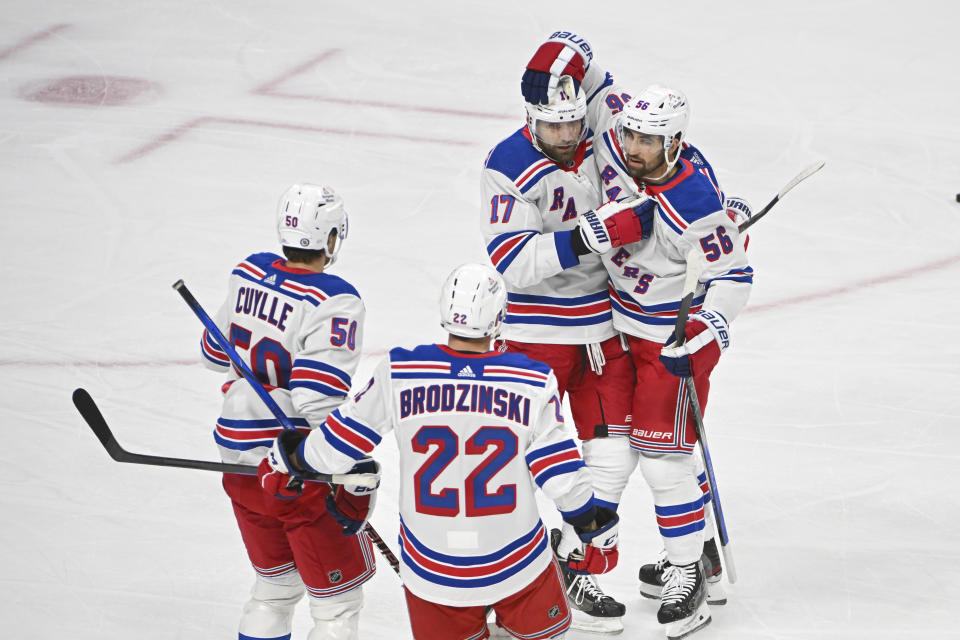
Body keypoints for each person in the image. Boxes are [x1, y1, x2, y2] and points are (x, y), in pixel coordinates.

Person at [521, 31, 755, 618]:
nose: (633, 146)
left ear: (675, 141)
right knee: (616, 454)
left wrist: (709, 333)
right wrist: (550, 68)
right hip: (617, 330)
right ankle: (623, 557)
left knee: (665, 459)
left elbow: (734, 277)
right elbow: (585, 70)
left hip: (669, 341)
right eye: (631, 133)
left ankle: (687, 574)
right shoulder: (618, 135)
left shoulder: (693, 200)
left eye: (649, 140)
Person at [258, 263, 622, 640]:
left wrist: (292, 458)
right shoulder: (530, 379)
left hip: (433, 568)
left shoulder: (401, 371)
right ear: (500, 317)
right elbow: (561, 475)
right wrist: (589, 522)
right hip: (517, 563)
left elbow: (337, 447)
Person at [479, 33, 649, 634]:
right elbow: (511, 262)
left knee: (616, 454)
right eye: (554, 127)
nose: (566, 136)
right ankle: (514, 583)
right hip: (534, 337)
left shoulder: (597, 132)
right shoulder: (508, 165)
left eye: (574, 123)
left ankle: (584, 568)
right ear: (532, 119)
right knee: (524, 465)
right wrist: (585, 237)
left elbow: (583, 55)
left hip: (603, 332)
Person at [201, 183, 376, 640]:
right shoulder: (334, 299)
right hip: (297, 470)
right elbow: (316, 398)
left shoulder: (248, 272)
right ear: (332, 237)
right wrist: (347, 461)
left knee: (273, 591)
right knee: (336, 609)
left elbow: (212, 351)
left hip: (237, 460)